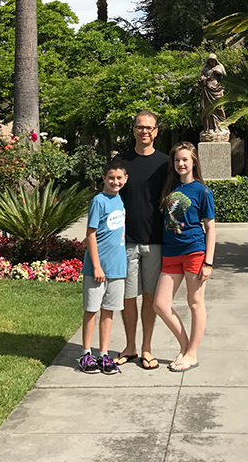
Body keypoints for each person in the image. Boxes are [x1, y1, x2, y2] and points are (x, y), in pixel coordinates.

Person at [111, 111, 169, 370]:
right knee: (128, 297)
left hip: (156, 241)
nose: (144, 131)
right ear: (133, 129)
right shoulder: (121, 162)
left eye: (149, 127)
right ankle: (130, 346)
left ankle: (147, 348)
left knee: (149, 297)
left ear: (156, 131)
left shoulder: (165, 163)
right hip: (127, 241)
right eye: (140, 127)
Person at [153, 141, 216, 373]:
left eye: (185, 160)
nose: (181, 163)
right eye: (177, 159)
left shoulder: (202, 191)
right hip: (170, 252)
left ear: (193, 162)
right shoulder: (169, 188)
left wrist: (208, 262)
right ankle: (185, 346)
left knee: (195, 302)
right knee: (160, 304)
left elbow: (210, 227)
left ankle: (192, 354)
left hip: (194, 252)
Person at [78, 162, 129, 375]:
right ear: (104, 178)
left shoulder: (119, 199)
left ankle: (103, 354)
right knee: (92, 310)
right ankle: (86, 353)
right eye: (111, 178)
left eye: (119, 178)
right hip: (97, 269)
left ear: (125, 179)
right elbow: (91, 233)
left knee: (109, 311)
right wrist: (97, 266)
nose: (115, 182)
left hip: (117, 268)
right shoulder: (99, 201)